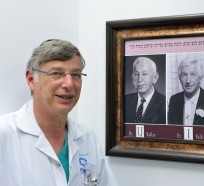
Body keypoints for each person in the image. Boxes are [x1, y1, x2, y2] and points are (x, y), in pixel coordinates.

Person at [0, 39, 118, 185]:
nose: (69, 84)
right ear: (31, 79)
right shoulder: (5, 135)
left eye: (76, 75)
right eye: (57, 73)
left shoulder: (87, 138)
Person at [168, 57, 204, 125]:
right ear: (180, 78)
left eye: (192, 75)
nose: (188, 81)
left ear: (200, 78)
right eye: (184, 75)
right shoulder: (174, 100)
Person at [124, 56, 166, 124]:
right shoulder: (125, 99)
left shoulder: (165, 103)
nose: (139, 80)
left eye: (144, 74)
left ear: (155, 77)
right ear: (132, 78)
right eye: (136, 74)